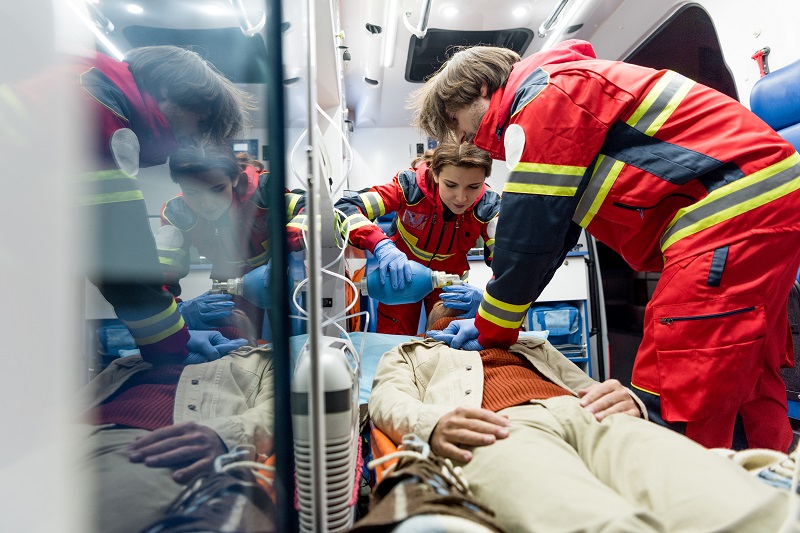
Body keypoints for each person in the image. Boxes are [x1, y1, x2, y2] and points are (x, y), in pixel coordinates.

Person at [408, 39, 800, 451]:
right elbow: (554, 235)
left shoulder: (544, 98)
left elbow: (529, 234)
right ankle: (767, 474)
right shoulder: (564, 87)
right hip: (761, 196)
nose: (461, 135)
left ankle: (682, 481)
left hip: (733, 205)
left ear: (483, 88)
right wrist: (495, 321)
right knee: (746, 361)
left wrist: (491, 328)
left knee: (684, 358)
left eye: (455, 120)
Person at [367, 309, 797, 532]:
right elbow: (385, 400)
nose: (457, 326)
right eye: (446, 319)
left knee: (726, 497)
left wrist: (631, 398)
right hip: (497, 426)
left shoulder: (529, 344)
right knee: (595, 520)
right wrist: (434, 424)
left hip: (587, 414)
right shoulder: (412, 354)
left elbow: (588, 384)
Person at [76, 45, 256, 363]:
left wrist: (178, 334)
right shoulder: (99, 107)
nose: (189, 140)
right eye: (200, 123)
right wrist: (173, 342)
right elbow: (120, 255)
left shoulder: (89, 80)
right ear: (169, 91)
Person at [77, 336, 274, 533]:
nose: (225, 308)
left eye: (236, 306)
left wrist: (223, 435)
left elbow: (278, 412)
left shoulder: (263, 360)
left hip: (151, 446)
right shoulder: (133, 360)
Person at [335, 142, 500, 335]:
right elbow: (345, 209)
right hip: (402, 278)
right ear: (436, 175)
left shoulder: (489, 208)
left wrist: (489, 297)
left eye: (473, 186)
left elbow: (509, 262)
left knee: (447, 345)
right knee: (393, 344)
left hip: (449, 286)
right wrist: (381, 245)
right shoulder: (409, 188)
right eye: (451, 185)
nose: (461, 198)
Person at [156, 145, 306, 333]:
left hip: (278, 273)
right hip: (228, 278)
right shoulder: (177, 214)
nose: (206, 203)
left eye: (217, 189)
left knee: (290, 337)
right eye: (193, 193)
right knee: (237, 342)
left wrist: (282, 252)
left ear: (234, 178)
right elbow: (162, 275)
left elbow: (308, 209)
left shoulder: (265, 190)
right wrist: (175, 311)